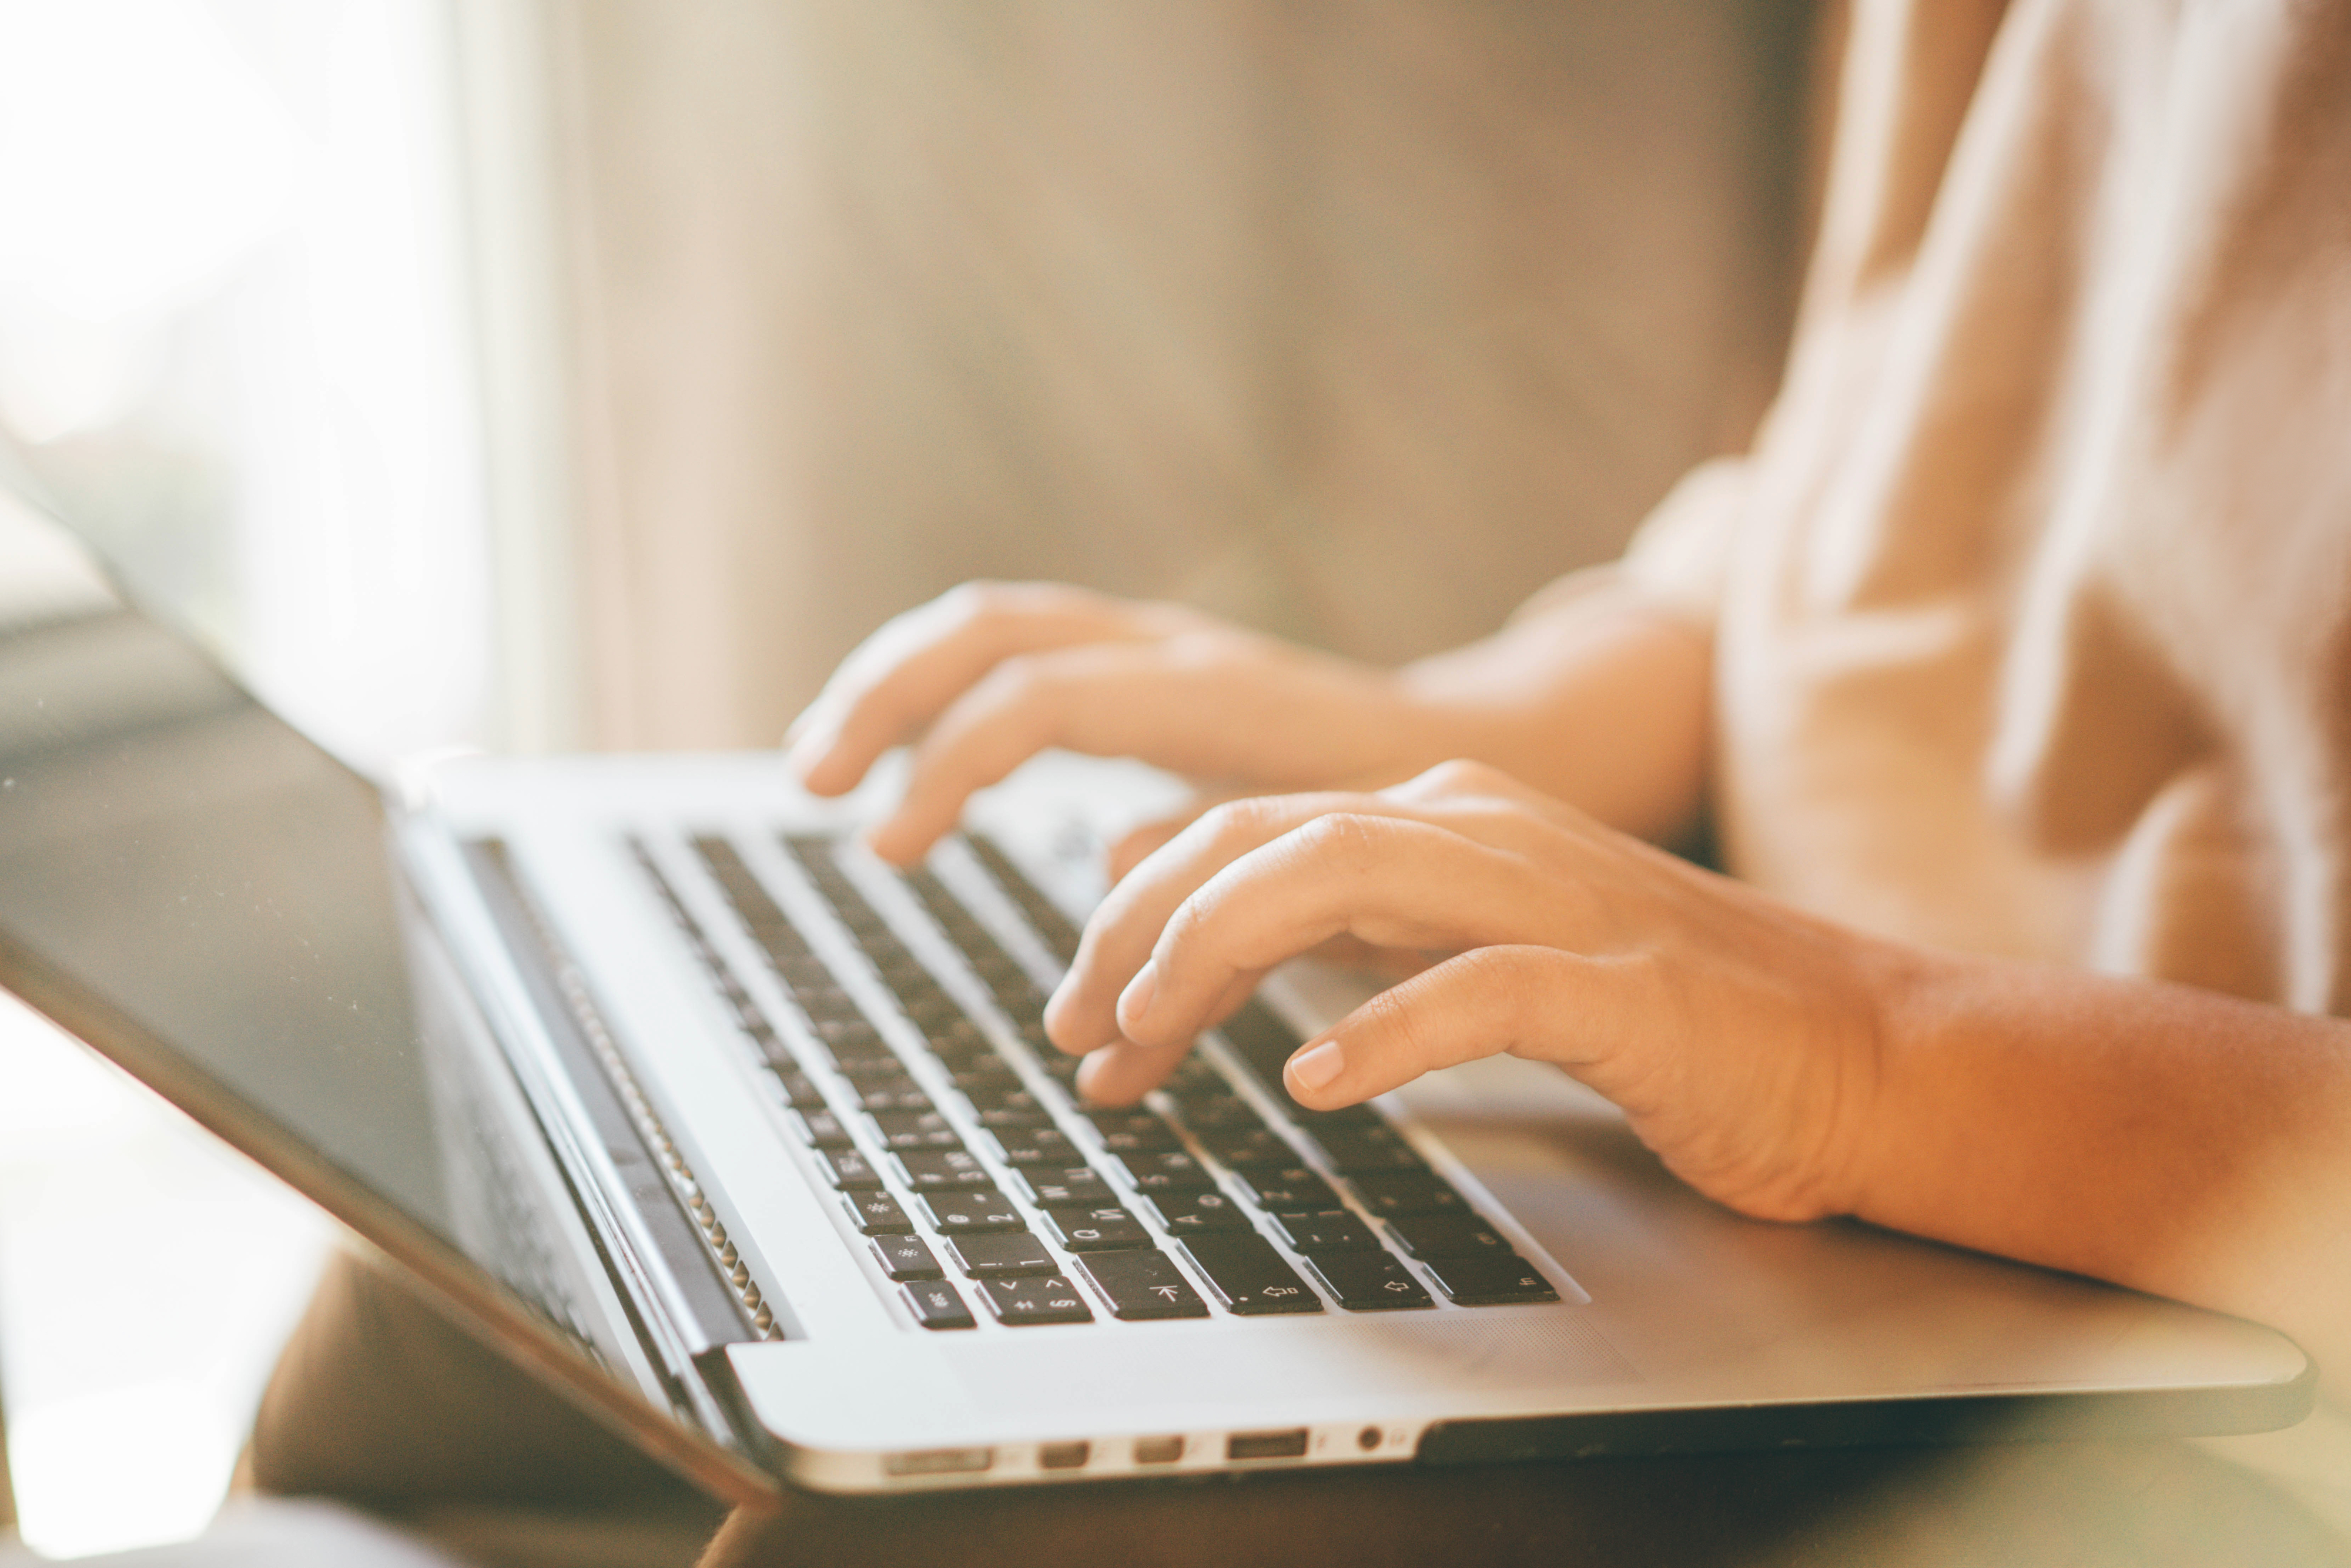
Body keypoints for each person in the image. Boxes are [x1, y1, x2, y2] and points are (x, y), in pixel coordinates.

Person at [246, 0, 2351, 1562]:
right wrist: (1476, 735)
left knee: (925, 1528)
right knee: (455, 1239)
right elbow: (1875, 470)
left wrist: (1872, 1055)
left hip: (2195, 1307)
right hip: (1744, 1074)